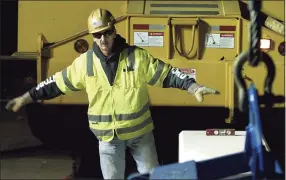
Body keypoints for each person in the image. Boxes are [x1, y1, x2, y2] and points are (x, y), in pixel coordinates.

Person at [6, 8, 219, 179]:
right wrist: (26, 98)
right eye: (97, 35)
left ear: (114, 31)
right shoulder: (84, 63)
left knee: (154, 176)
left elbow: (167, 74)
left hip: (140, 135)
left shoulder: (137, 57)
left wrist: (193, 87)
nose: (103, 39)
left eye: (107, 33)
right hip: (108, 140)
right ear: (93, 37)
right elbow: (55, 84)